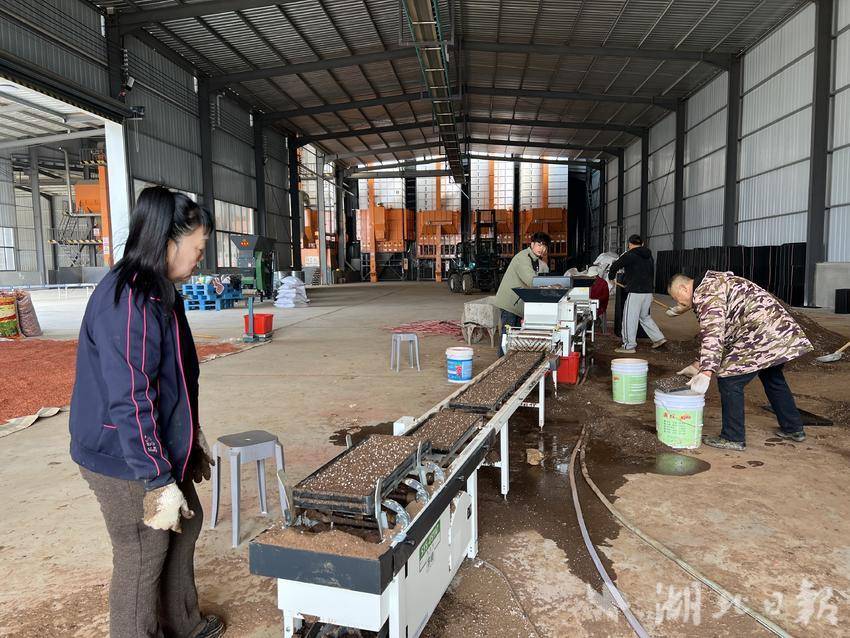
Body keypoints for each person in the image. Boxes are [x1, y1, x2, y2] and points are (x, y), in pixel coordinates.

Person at [69, 186, 225, 638]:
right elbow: (131, 399)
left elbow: (174, 378)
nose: (200, 259)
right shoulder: (129, 301)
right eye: (197, 248)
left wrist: (190, 435)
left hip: (151, 441)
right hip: (120, 453)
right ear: (169, 242)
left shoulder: (160, 292)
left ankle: (181, 623)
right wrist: (158, 480)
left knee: (185, 526)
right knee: (143, 549)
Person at [668, 271, 812, 451]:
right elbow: (723, 333)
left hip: (760, 334)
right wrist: (698, 364)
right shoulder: (714, 283)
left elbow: (714, 333)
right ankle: (793, 428)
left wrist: (706, 371)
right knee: (771, 376)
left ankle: (733, 437)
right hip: (777, 331)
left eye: (677, 298)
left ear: (683, 288)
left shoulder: (706, 293)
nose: (678, 303)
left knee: (729, 379)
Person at [494, 231, 551, 356]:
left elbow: (541, 275)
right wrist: (550, 285)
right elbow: (531, 280)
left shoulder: (536, 260)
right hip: (510, 303)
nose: (542, 249)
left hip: (519, 303)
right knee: (507, 335)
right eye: (539, 245)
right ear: (532, 244)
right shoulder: (523, 258)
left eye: (544, 246)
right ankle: (502, 360)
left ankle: (510, 359)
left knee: (516, 337)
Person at [608, 234, 666, 354]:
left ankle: (628, 346)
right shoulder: (649, 256)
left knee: (629, 318)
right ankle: (658, 338)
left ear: (629, 244)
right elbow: (651, 273)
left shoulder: (629, 254)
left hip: (635, 292)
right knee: (644, 316)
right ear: (642, 244)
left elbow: (614, 266)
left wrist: (611, 277)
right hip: (647, 292)